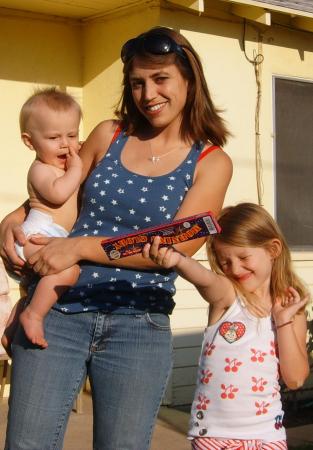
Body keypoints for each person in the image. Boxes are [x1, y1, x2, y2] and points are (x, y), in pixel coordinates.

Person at [0, 26, 232, 450]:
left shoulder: (212, 162)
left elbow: (173, 247)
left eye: (160, 79)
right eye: (137, 82)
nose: (148, 94)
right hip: (57, 312)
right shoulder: (109, 134)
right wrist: (8, 222)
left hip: (137, 325)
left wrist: (81, 246)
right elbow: (57, 196)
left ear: (188, 79)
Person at [143, 202, 310, 450]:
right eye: (225, 262)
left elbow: (295, 379)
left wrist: (282, 319)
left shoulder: (290, 310)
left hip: (267, 436)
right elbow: (205, 278)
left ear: (273, 249)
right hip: (215, 436)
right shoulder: (227, 297)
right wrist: (178, 260)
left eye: (243, 257)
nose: (234, 268)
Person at [7, 88, 82, 349]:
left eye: (72, 135)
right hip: (34, 233)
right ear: (30, 142)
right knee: (69, 270)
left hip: (51, 235)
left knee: (45, 283)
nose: (65, 143)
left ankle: (14, 325)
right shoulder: (40, 169)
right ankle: (32, 315)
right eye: (54, 137)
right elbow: (59, 193)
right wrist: (77, 167)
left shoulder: (60, 164)